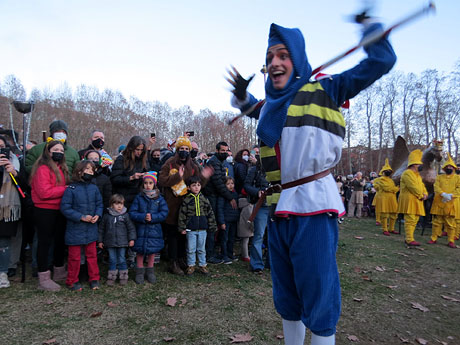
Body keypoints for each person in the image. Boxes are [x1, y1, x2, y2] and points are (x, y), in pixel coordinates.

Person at [227, 19, 396, 345]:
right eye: (270, 57)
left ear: (298, 59)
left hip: (313, 209)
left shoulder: (327, 88)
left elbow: (381, 63)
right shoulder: (270, 105)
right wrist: (239, 95)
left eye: (283, 55)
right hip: (278, 210)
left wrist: (372, 32)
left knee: (318, 296)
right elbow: (255, 108)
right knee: (287, 295)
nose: (274, 63)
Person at [159, 136, 212, 275]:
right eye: (181, 148)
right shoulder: (169, 163)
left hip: (188, 206)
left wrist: (204, 177)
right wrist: (177, 176)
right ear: (177, 150)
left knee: (184, 234)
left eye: (186, 149)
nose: (184, 151)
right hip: (172, 205)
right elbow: (162, 180)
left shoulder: (193, 166)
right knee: (172, 235)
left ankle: (182, 259)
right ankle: (173, 262)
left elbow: (197, 183)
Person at [30, 140, 70, 291]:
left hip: (59, 209)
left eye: (61, 150)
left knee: (59, 241)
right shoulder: (42, 169)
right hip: (44, 210)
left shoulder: (62, 168)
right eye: (56, 149)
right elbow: (44, 192)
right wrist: (65, 189)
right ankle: (43, 277)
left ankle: (59, 271)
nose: (59, 152)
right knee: (44, 242)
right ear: (48, 151)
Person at [60, 160, 103, 291]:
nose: (90, 172)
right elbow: (65, 208)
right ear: (79, 172)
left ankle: (94, 279)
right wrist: (81, 217)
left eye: (92, 170)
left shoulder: (94, 188)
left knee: (92, 255)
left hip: (91, 228)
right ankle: (72, 281)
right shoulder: (71, 189)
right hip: (75, 229)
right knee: (74, 257)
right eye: (88, 169)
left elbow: (99, 204)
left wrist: (98, 214)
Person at [129, 172, 168, 284]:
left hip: (154, 230)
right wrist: (142, 217)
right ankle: (139, 271)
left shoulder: (159, 199)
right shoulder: (139, 198)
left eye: (150, 183)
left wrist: (153, 217)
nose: (147, 185)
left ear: (154, 184)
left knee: (152, 251)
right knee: (140, 251)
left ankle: (150, 271)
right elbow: (132, 212)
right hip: (141, 228)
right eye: (145, 183)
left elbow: (164, 213)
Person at [202, 141, 237, 264]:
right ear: (217, 151)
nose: (225, 153)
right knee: (212, 226)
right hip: (211, 197)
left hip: (216, 196)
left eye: (226, 151)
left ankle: (212, 251)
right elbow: (218, 183)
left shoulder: (221, 163)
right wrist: (230, 197)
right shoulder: (213, 162)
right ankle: (209, 254)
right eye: (222, 151)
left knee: (215, 226)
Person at [0, 136, 26, 288]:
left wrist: (14, 173)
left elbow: (24, 185)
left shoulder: (15, 162)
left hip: (9, 208)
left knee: (4, 241)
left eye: (2, 146)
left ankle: (3, 271)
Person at [178, 176, 217, 275]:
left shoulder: (204, 199)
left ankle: (203, 265)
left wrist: (212, 225)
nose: (196, 187)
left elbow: (210, 213)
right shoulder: (187, 200)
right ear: (189, 187)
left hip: (203, 229)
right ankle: (191, 266)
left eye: (198, 185)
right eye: (194, 185)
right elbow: (182, 214)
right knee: (191, 249)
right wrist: (182, 227)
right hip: (191, 229)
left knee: (201, 249)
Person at [98, 194, 137, 286]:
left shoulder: (125, 216)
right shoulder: (107, 216)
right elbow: (101, 229)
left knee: (122, 259)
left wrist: (131, 239)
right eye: (116, 204)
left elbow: (131, 228)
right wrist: (100, 241)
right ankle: (111, 277)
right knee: (112, 259)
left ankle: (123, 276)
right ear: (111, 205)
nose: (119, 206)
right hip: (110, 242)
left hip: (122, 242)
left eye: (121, 204)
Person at [243, 155, 269, 273]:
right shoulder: (254, 170)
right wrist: (257, 192)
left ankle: (271, 262)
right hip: (261, 206)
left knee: (273, 236)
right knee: (258, 235)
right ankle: (257, 264)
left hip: (276, 205)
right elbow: (247, 185)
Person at [428, 154, 460, 248]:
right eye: (447, 166)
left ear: (453, 168)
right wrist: (442, 194)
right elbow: (436, 187)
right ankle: (433, 238)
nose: (449, 168)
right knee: (437, 222)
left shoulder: (458, 178)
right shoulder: (439, 177)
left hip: (451, 203)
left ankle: (451, 240)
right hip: (439, 201)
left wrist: (451, 195)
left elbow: (459, 188)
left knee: (451, 223)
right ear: (444, 168)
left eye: (450, 166)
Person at [397, 149, 428, 247]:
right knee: (410, 219)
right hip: (409, 199)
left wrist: (425, 194)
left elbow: (422, 186)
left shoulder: (418, 176)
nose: (420, 165)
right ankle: (409, 239)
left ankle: (411, 238)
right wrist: (421, 195)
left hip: (417, 200)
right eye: (419, 164)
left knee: (415, 219)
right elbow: (412, 187)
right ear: (414, 164)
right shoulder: (407, 173)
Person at [111, 136, 150, 209]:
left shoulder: (144, 159)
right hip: (123, 197)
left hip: (138, 196)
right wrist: (131, 178)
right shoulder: (121, 159)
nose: (139, 152)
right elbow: (114, 179)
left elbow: (147, 171)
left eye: (141, 150)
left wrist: (147, 176)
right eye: (137, 149)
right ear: (131, 148)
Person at [216, 176, 240, 264]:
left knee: (231, 238)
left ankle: (230, 254)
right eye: (228, 184)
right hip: (225, 220)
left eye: (232, 183)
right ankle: (224, 255)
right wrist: (222, 222)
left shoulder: (235, 194)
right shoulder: (223, 196)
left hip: (233, 220)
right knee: (224, 239)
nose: (231, 186)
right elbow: (220, 208)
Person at [373, 159, 399, 236]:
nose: (388, 172)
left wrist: (395, 189)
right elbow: (387, 188)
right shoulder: (381, 179)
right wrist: (396, 189)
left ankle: (392, 228)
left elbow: (392, 189)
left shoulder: (391, 180)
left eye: (389, 171)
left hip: (392, 198)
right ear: (383, 172)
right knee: (385, 214)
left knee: (394, 213)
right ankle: (385, 229)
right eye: (387, 170)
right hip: (384, 198)